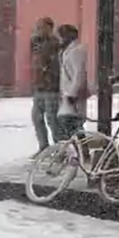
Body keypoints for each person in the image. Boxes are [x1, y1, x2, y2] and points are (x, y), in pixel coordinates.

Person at [30, 17, 61, 157]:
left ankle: (59, 148)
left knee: (52, 119)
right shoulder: (37, 43)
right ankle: (43, 146)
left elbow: (53, 64)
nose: (38, 30)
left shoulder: (54, 44)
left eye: (41, 27)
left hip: (51, 88)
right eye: (38, 27)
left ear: (49, 28)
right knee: (37, 117)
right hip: (39, 86)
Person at [56, 24, 88, 140]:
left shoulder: (76, 51)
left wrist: (72, 94)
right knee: (71, 126)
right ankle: (78, 154)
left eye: (61, 36)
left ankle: (80, 154)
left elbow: (78, 74)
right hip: (67, 94)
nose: (59, 39)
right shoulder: (66, 51)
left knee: (71, 124)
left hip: (72, 95)